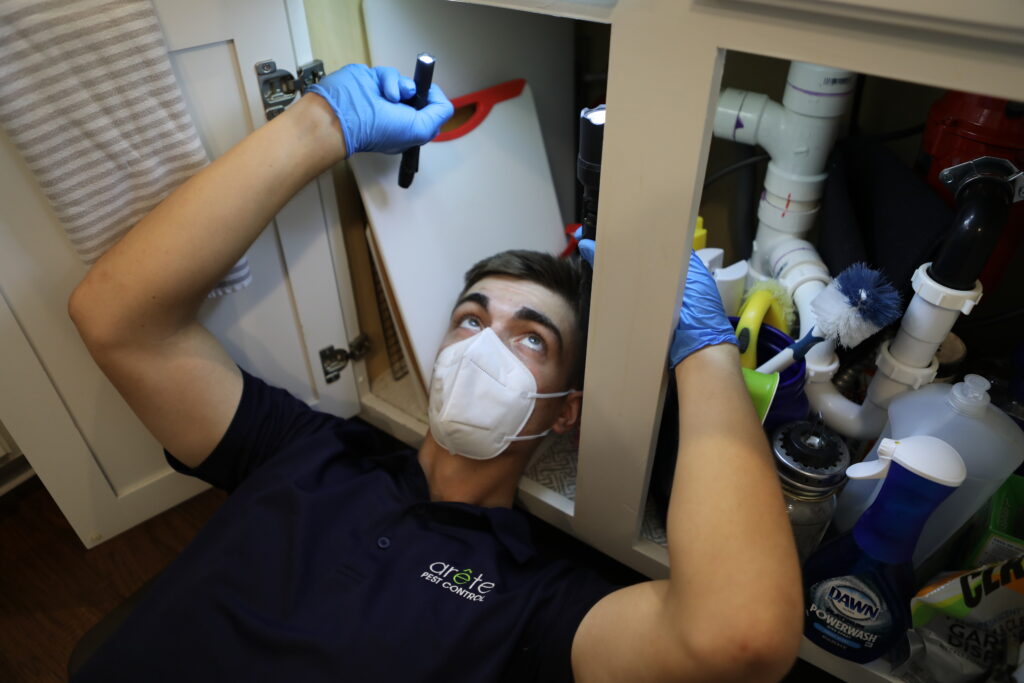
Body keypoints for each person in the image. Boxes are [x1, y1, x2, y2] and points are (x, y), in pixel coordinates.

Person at [68, 64, 803, 682]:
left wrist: (702, 343)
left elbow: (739, 635)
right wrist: (317, 127)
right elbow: (117, 320)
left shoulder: (532, 596)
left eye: (531, 337)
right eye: (472, 318)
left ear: (563, 411)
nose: (483, 344)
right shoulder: (304, 450)